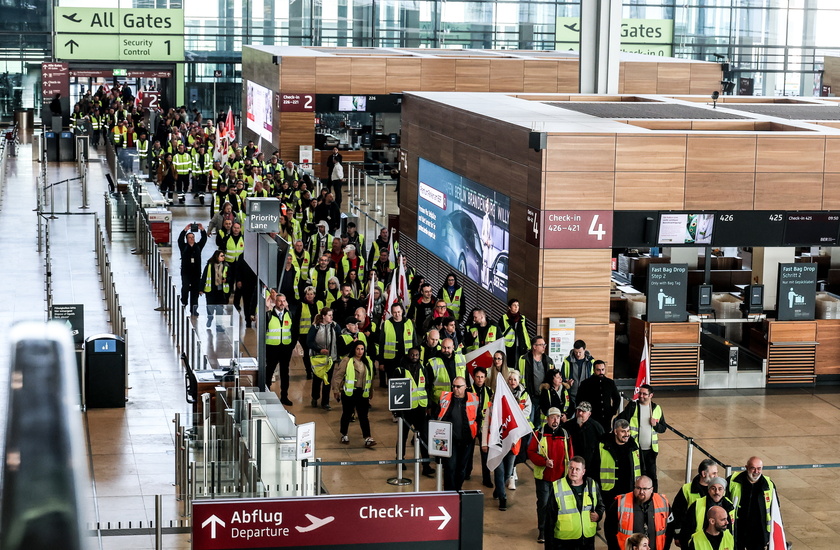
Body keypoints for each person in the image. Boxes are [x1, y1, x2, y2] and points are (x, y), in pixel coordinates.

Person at [481, 370, 530, 511]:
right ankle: (503, 498)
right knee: (499, 471)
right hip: (496, 443)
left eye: (515, 379)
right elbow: (486, 425)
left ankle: (499, 488)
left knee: (508, 473)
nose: (512, 382)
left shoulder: (518, 403)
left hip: (512, 444)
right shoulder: (492, 407)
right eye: (510, 379)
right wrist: (484, 443)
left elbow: (525, 417)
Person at [528, 407, 572, 544]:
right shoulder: (539, 434)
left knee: (559, 505)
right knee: (544, 504)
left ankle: (556, 528)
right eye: (553, 417)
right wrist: (543, 462)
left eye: (558, 418)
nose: (555, 420)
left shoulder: (565, 434)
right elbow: (531, 452)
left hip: (560, 478)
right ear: (547, 418)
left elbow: (570, 454)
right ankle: (542, 530)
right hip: (544, 477)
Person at [545, 456, 604, 550]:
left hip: (587, 540)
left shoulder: (592, 484)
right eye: (571, 468)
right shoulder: (557, 487)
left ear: (583, 472)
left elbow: (600, 505)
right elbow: (549, 519)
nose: (573, 472)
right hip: (564, 542)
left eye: (577, 469)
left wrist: (598, 515)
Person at [618, 384, 667, 492]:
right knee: (635, 474)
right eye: (640, 393)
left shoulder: (656, 408)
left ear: (651, 395)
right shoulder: (633, 406)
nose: (641, 396)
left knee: (651, 476)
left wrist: (656, 425)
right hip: (635, 449)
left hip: (651, 450)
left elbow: (663, 428)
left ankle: (653, 496)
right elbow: (620, 420)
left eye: (644, 394)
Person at [395, 347, 434, 477]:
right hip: (406, 410)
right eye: (413, 354)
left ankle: (426, 465)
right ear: (408, 355)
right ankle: (400, 460)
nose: (415, 356)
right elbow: (396, 391)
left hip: (420, 408)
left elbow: (427, 387)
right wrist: (397, 411)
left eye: (417, 355)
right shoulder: (400, 370)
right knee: (403, 437)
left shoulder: (423, 368)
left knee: (423, 437)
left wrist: (428, 405)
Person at [604, 475, 670, 550]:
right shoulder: (620, 503)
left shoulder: (663, 502)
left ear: (652, 489)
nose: (641, 492)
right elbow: (609, 529)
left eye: (645, 489)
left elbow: (670, 528)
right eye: (638, 488)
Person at [726, 456, 778, 550]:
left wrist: (772, 535)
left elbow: (775, 510)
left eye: (759, 468)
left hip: (758, 533)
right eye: (753, 468)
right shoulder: (733, 481)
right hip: (738, 530)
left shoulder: (769, 485)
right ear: (746, 467)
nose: (756, 471)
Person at [438, 376, 479, 491]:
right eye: (454, 386)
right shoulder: (445, 398)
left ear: (465, 387)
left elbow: (478, 417)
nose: (455, 389)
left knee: (461, 469)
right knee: (450, 467)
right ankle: (449, 493)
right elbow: (437, 416)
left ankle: (457, 490)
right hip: (449, 441)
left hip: (467, 440)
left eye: (458, 386)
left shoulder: (474, 399)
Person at [333, 341, 377, 447]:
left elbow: (370, 378)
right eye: (358, 349)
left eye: (362, 349)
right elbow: (338, 376)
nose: (360, 351)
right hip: (349, 392)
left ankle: (367, 437)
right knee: (347, 414)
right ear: (354, 349)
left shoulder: (368, 362)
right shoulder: (347, 361)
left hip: (362, 393)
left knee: (363, 416)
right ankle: (344, 434)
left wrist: (371, 391)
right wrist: (336, 390)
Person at [669, 459, 721, 548]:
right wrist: (677, 535)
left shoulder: (719, 490)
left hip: (712, 536)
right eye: (714, 473)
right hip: (691, 537)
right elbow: (677, 514)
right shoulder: (687, 489)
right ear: (704, 474)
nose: (717, 476)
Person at [596, 418, 641, 505]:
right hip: (609, 491)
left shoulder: (634, 446)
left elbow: (641, 467)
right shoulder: (603, 446)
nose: (627, 434)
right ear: (615, 431)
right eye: (623, 431)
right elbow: (595, 468)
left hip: (629, 490)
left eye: (628, 431)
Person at [681, 478, 735, 548]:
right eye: (713, 488)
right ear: (708, 490)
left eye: (720, 489)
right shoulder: (697, 505)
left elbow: (733, 528)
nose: (717, 492)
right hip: (700, 544)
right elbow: (686, 530)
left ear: (724, 491)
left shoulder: (729, 506)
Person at [307, 307, 340, 410]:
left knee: (328, 380)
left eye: (332, 315)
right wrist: (319, 350)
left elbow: (340, 338)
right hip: (318, 358)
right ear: (324, 316)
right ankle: (315, 397)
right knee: (317, 379)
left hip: (331, 358)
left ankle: (325, 402)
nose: (331, 317)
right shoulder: (315, 327)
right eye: (329, 315)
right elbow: (309, 342)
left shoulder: (335, 326)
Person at [265, 292, 295, 406]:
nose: (282, 303)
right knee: (269, 372)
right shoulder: (268, 315)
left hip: (285, 348)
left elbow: (293, 331)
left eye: (283, 301)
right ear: (275, 302)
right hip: (272, 348)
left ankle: (284, 396)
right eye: (279, 301)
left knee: (285, 373)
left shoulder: (290, 314)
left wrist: (291, 346)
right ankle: (266, 395)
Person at [378, 302, 417, 389]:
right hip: (390, 360)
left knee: (407, 383)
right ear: (391, 313)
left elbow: (414, 341)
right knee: (393, 385)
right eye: (395, 312)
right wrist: (381, 362)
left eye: (399, 312)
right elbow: (381, 344)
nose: (397, 314)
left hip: (406, 358)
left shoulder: (409, 323)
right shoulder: (386, 324)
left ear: (402, 311)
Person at [465, 365, 492, 486]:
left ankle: (487, 478)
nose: (480, 379)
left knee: (485, 452)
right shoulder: (468, 391)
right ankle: (466, 473)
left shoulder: (490, 391)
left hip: (484, 426)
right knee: (468, 451)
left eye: (482, 377)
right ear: (473, 378)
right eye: (477, 377)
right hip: (471, 425)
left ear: (485, 378)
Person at [576, 359, 620, 433]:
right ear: (594, 370)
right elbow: (579, 400)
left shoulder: (610, 383)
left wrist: (613, 411)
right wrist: (585, 414)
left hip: (606, 417)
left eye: (602, 369)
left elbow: (617, 398)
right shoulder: (586, 383)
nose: (601, 372)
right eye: (598, 370)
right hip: (591, 417)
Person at [520, 335, 555, 427]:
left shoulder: (549, 360)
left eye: (544, 344)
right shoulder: (523, 359)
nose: (544, 347)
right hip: (529, 396)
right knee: (528, 423)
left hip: (544, 397)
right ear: (534, 346)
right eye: (541, 344)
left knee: (541, 424)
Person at [562, 402, 604, 475]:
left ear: (589, 414)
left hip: (591, 467)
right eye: (578, 410)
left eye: (583, 411)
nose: (580, 413)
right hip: (572, 467)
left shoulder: (596, 427)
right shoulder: (567, 426)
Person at [427, 337, 466, 415]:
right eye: (444, 348)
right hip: (440, 402)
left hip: (459, 399)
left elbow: (466, 379)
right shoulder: (433, 362)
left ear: (453, 347)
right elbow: (428, 386)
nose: (446, 350)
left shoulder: (461, 359)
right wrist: (429, 405)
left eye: (448, 348)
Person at [177, 223, 207, 316]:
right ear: (187, 239)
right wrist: (185, 230)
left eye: (193, 237)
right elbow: (179, 240)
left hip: (196, 273)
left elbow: (204, 239)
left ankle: (194, 309)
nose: (191, 239)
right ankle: (184, 302)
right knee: (185, 288)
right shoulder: (184, 247)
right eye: (189, 237)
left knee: (195, 292)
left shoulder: (198, 247)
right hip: (186, 272)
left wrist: (202, 230)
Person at [295, 286, 322, 380]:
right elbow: (297, 320)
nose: (309, 296)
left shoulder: (320, 304)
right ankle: (308, 371)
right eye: (307, 294)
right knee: (307, 353)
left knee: (316, 352)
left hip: (318, 332)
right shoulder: (301, 305)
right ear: (305, 295)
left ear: (314, 295)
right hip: (304, 334)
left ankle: (316, 371)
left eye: (311, 294)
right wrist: (296, 335)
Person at [561, 340, 596, 406]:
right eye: (576, 352)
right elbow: (562, 377)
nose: (577, 354)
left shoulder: (591, 362)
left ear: (584, 350)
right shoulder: (567, 361)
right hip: (571, 395)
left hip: (587, 395)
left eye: (580, 352)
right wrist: (566, 382)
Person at [200, 250, 229, 329]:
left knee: (220, 309)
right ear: (217, 256)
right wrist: (201, 289)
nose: (223, 257)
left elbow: (230, 276)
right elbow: (204, 277)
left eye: (223, 256)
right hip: (211, 290)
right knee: (210, 307)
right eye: (221, 256)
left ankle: (219, 325)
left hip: (220, 291)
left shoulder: (226, 265)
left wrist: (226, 280)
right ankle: (210, 318)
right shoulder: (210, 265)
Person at [500, 299, 531, 366]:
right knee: (509, 365)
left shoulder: (522, 318)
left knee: (520, 364)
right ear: (509, 307)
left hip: (521, 345)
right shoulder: (504, 318)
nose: (516, 307)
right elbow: (500, 333)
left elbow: (526, 332)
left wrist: (528, 345)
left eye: (518, 305)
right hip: (508, 346)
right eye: (514, 305)